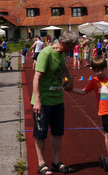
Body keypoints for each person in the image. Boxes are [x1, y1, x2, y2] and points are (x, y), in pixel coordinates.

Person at [31, 31, 78, 175]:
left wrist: (69, 77)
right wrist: (37, 101)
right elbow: (36, 77)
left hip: (58, 100)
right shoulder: (46, 53)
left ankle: (56, 162)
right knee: (41, 133)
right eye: (71, 47)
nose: (72, 50)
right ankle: (41, 163)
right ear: (63, 44)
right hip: (44, 101)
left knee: (57, 132)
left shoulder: (62, 53)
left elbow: (62, 66)